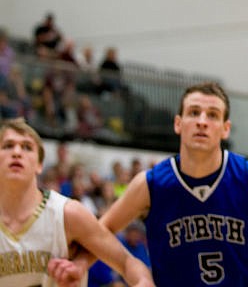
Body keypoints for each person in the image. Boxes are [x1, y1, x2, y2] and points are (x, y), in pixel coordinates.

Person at [67, 81, 248, 286]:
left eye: (212, 115)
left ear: (225, 129)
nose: (202, 121)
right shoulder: (151, 184)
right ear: (178, 123)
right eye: (194, 112)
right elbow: (100, 231)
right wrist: (83, 263)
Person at [0, 117, 154, 287]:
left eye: (27, 147)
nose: (17, 152)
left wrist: (143, 281)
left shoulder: (67, 214)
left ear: (39, 165)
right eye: (8, 146)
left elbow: (127, 262)